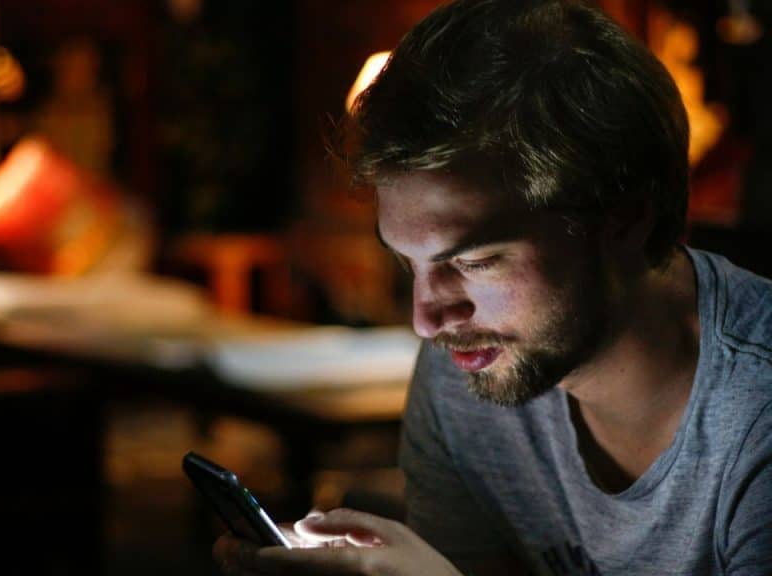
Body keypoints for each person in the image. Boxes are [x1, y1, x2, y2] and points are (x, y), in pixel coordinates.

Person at [213, 0, 772, 574]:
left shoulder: (756, 411)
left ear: (626, 220)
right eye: (410, 263)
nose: (427, 321)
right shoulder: (469, 372)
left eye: (476, 261)